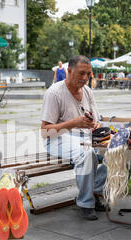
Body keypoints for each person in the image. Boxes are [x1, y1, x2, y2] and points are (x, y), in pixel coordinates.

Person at [41, 55, 107, 220]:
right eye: (81, 73)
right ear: (69, 71)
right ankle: (86, 203)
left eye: (88, 74)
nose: (85, 78)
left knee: (116, 152)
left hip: (85, 137)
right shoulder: (54, 93)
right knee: (86, 154)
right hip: (57, 139)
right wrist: (73, 123)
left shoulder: (87, 91)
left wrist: (96, 124)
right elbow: (45, 131)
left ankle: (95, 192)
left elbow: (96, 120)